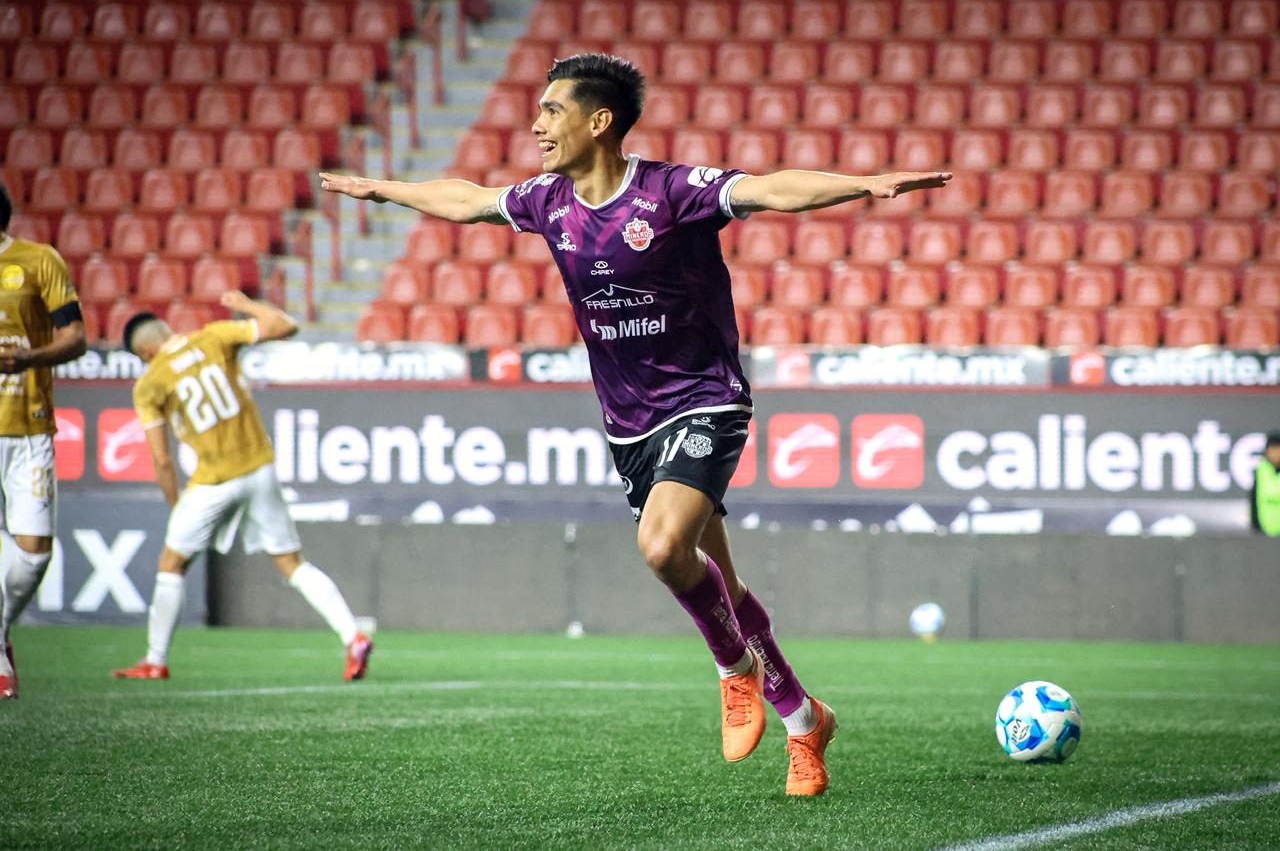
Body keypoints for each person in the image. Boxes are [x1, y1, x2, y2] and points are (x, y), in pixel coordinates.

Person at [320, 52, 950, 796]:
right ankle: (806, 722)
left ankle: (734, 669)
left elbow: (773, 188)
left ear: (599, 120)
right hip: (629, 426)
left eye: (551, 111)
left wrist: (861, 187)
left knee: (660, 547)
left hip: (705, 398)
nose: (535, 124)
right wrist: (381, 192)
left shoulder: (670, 191)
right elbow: (467, 200)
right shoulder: (545, 201)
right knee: (727, 585)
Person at [110, 292, 373, 681]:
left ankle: (155, 659)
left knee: (172, 562)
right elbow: (286, 326)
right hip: (259, 467)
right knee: (291, 563)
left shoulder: (150, 383)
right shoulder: (214, 337)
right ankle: (353, 637)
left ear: (146, 351)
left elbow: (162, 459)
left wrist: (175, 503)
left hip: (214, 480)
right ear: (167, 329)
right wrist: (246, 304)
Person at [0, 184, 88, 700]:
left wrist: (27, 359)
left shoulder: (38, 261)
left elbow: (74, 338)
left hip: (28, 423)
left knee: (34, 553)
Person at [1251, 432, 1280, 537]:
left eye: (1278, 448)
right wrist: (1256, 526)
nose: (1275, 453)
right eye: (1272, 448)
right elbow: (1254, 499)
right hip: (1264, 531)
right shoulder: (1261, 470)